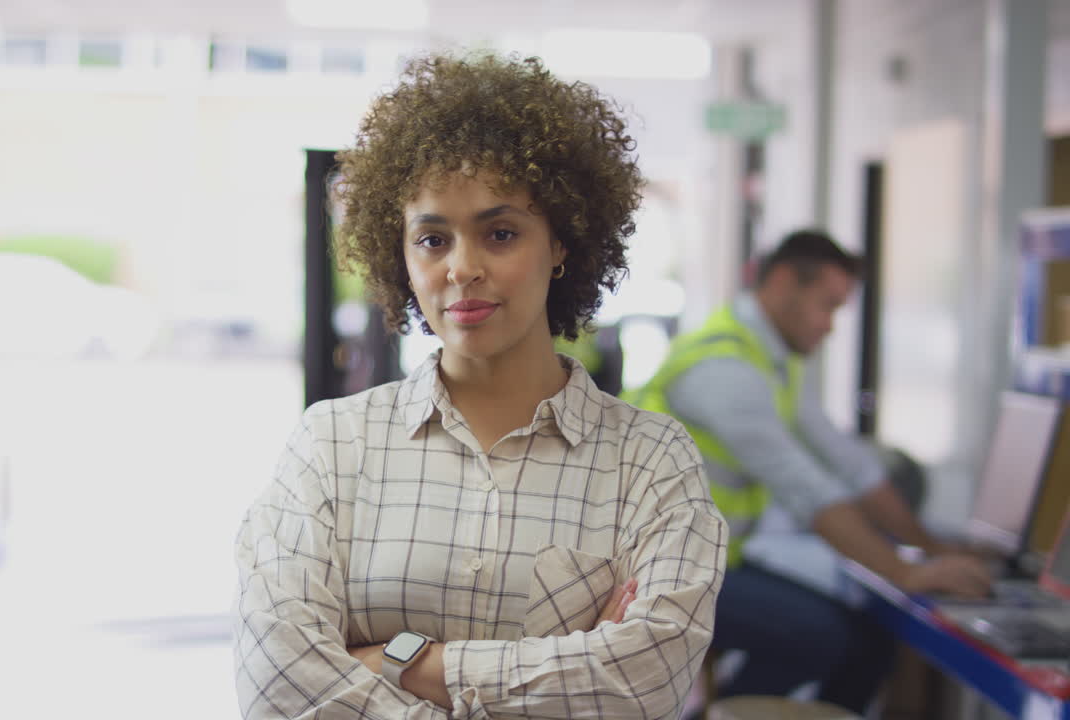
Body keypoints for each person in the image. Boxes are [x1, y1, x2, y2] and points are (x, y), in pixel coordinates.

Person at [234, 53, 727, 718]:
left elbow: (643, 682)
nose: (462, 269)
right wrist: (565, 666)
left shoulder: (648, 462)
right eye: (433, 239)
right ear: (400, 254)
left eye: (500, 233)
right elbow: (274, 682)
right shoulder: (334, 445)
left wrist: (391, 661)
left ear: (561, 243)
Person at [624, 229, 992, 712]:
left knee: (868, 640)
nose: (831, 326)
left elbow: (849, 463)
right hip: (655, 569)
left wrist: (931, 547)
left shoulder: (772, 361)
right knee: (818, 636)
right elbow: (808, 490)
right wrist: (905, 571)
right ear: (781, 283)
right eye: (828, 305)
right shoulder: (724, 369)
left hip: (711, 558)